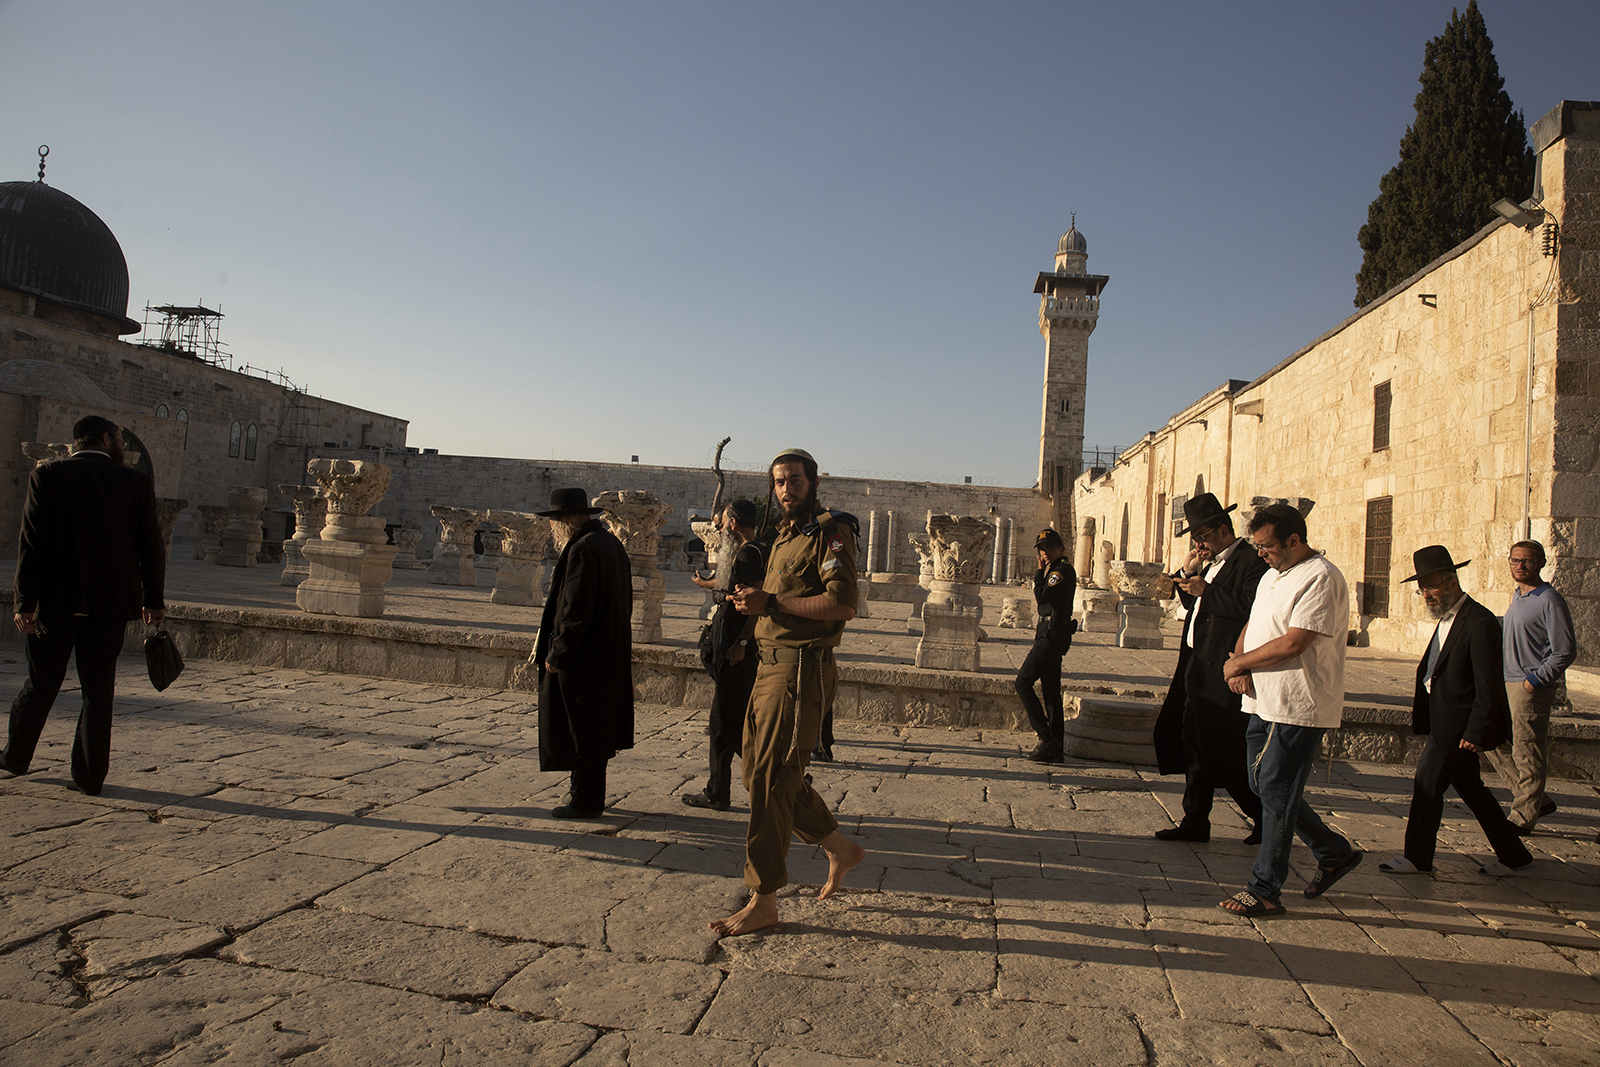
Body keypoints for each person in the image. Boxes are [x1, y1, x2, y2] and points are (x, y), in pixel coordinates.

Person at [710, 448, 866, 935]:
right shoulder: (785, 537)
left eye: (794, 480)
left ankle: (764, 898)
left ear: (813, 482)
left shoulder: (829, 534)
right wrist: (754, 604)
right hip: (768, 667)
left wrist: (772, 602)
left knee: (770, 780)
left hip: (800, 671)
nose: (785, 489)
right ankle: (839, 847)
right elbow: (778, 601)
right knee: (759, 773)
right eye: (779, 482)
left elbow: (842, 605)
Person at [2, 415, 165, 796]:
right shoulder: (135, 483)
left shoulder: (48, 476)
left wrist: (25, 601)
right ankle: (90, 776)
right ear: (105, 439)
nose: (122, 446)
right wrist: (153, 599)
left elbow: (31, 543)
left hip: (56, 603)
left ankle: (16, 757)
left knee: (41, 683)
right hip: (110, 605)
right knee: (98, 690)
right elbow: (151, 547)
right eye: (119, 439)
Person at [1218, 503, 1361, 917]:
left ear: (1294, 540)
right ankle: (1334, 852)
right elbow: (1254, 623)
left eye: (1267, 546)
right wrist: (1239, 661)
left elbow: (1294, 642)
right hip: (1262, 698)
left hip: (1297, 704)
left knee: (1276, 789)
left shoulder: (1321, 577)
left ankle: (1265, 888)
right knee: (1262, 784)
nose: (1261, 554)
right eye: (1257, 547)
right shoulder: (1272, 575)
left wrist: (1240, 664)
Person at [1377, 547, 1536, 877]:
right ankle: (1514, 854)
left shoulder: (1479, 622)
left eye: (1431, 587)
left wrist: (1476, 731)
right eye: (1422, 589)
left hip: (1458, 726)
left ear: (1452, 582)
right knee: (1473, 791)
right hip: (1443, 720)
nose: (1426, 595)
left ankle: (1417, 857)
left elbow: (1488, 684)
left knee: (1427, 783)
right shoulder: (1447, 618)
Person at [1151, 493, 1267, 843]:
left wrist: (1208, 590)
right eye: (1195, 538)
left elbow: (1251, 605)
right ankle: (1195, 821)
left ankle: (1262, 816)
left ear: (1223, 530)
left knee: (1223, 749)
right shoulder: (1211, 562)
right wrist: (1188, 574)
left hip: (1223, 669)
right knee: (1193, 743)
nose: (1199, 543)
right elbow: (1196, 603)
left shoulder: (1250, 561)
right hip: (1196, 665)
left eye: (1203, 536)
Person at [533, 487, 633, 819]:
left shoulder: (582, 548)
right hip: (608, 650)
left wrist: (559, 652)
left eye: (553, 521)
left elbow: (575, 607)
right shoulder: (611, 544)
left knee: (582, 727)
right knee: (595, 727)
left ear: (564, 520)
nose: (552, 529)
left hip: (585, 657)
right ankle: (584, 792)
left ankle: (585, 800)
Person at [683, 499, 765, 811]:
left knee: (729, 723)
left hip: (736, 647)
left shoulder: (748, 554)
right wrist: (707, 584)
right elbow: (733, 588)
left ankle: (782, 779)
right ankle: (717, 791)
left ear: (733, 522)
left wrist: (741, 643)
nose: (719, 528)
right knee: (721, 723)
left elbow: (756, 604)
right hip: (729, 642)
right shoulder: (749, 552)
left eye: (723, 522)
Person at [1500, 540, 1575, 834]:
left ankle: (1522, 817)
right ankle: (1537, 800)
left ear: (1541, 563)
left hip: (1529, 688)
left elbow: (1564, 651)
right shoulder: (1518, 596)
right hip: (1507, 683)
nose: (1520, 566)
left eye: (1527, 561)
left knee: (1527, 753)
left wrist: (1535, 681)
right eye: (1515, 560)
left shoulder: (1550, 600)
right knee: (1492, 741)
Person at [1014, 528, 1076, 763]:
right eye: (1041, 549)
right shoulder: (1056, 570)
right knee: (1050, 691)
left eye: (1049, 547)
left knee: (1023, 682)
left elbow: (1042, 597)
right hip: (1050, 632)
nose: (1045, 552)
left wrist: (1039, 572)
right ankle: (1055, 747)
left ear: (1060, 548)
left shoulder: (1060, 571)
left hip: (1052, 635)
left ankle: (1045, 736)